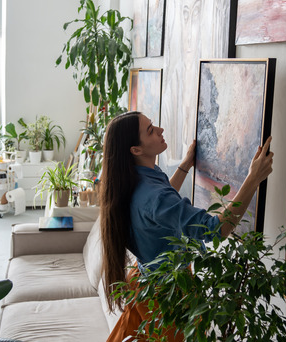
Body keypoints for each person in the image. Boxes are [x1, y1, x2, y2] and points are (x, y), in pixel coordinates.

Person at [100, 111, 274, 341]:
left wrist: (184, 166)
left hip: (145, 279)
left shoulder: (138, 176)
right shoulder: (152, 194)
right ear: (135, 150)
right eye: (151, 130)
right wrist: (253, 178)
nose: (160, 130)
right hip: (165, 294)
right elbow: (216, 229)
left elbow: (161, 211)